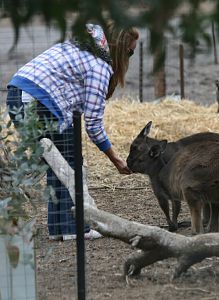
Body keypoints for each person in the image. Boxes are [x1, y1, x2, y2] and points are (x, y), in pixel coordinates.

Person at [6, 22, 139, 241]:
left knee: (58, 163)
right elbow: (93, 125)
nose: (130, 57)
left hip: (17, 96)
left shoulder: (81, 46)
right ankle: (72, 229)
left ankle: (59, 228)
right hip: (38, 101)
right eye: (130, 52)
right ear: (120, 48)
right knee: (70, 163)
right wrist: (115, 160)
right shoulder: (99, 66)